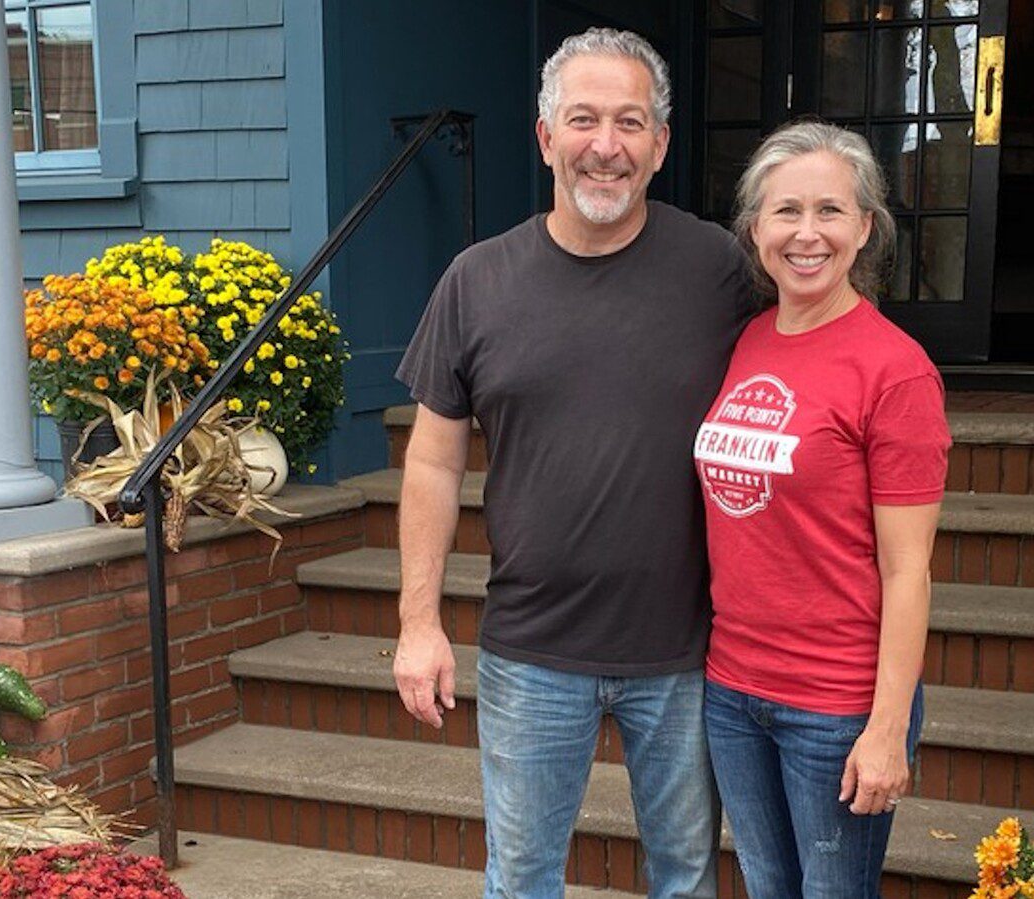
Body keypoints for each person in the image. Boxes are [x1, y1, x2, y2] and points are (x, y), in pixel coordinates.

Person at [392, 27, 753, 899]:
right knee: (520, 879)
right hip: (533, 648)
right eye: (583, 119)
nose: (606, 145)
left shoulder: (718, 268)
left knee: (686, 877)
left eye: (630, 123)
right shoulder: (477, 279)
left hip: (686, 648)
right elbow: (434, 462)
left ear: (660, 145)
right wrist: (418, 622)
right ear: (546, 135)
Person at [694, 121, 951, 898]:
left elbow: (910, 571)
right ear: (755, 229)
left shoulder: (895, 371)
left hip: (838, 703)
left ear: (865, 226)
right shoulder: (744, 342)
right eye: (786, 212)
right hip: (733, 688)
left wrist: (884, 727)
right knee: (770, 887)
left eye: (831, 212)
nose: (808, 234)